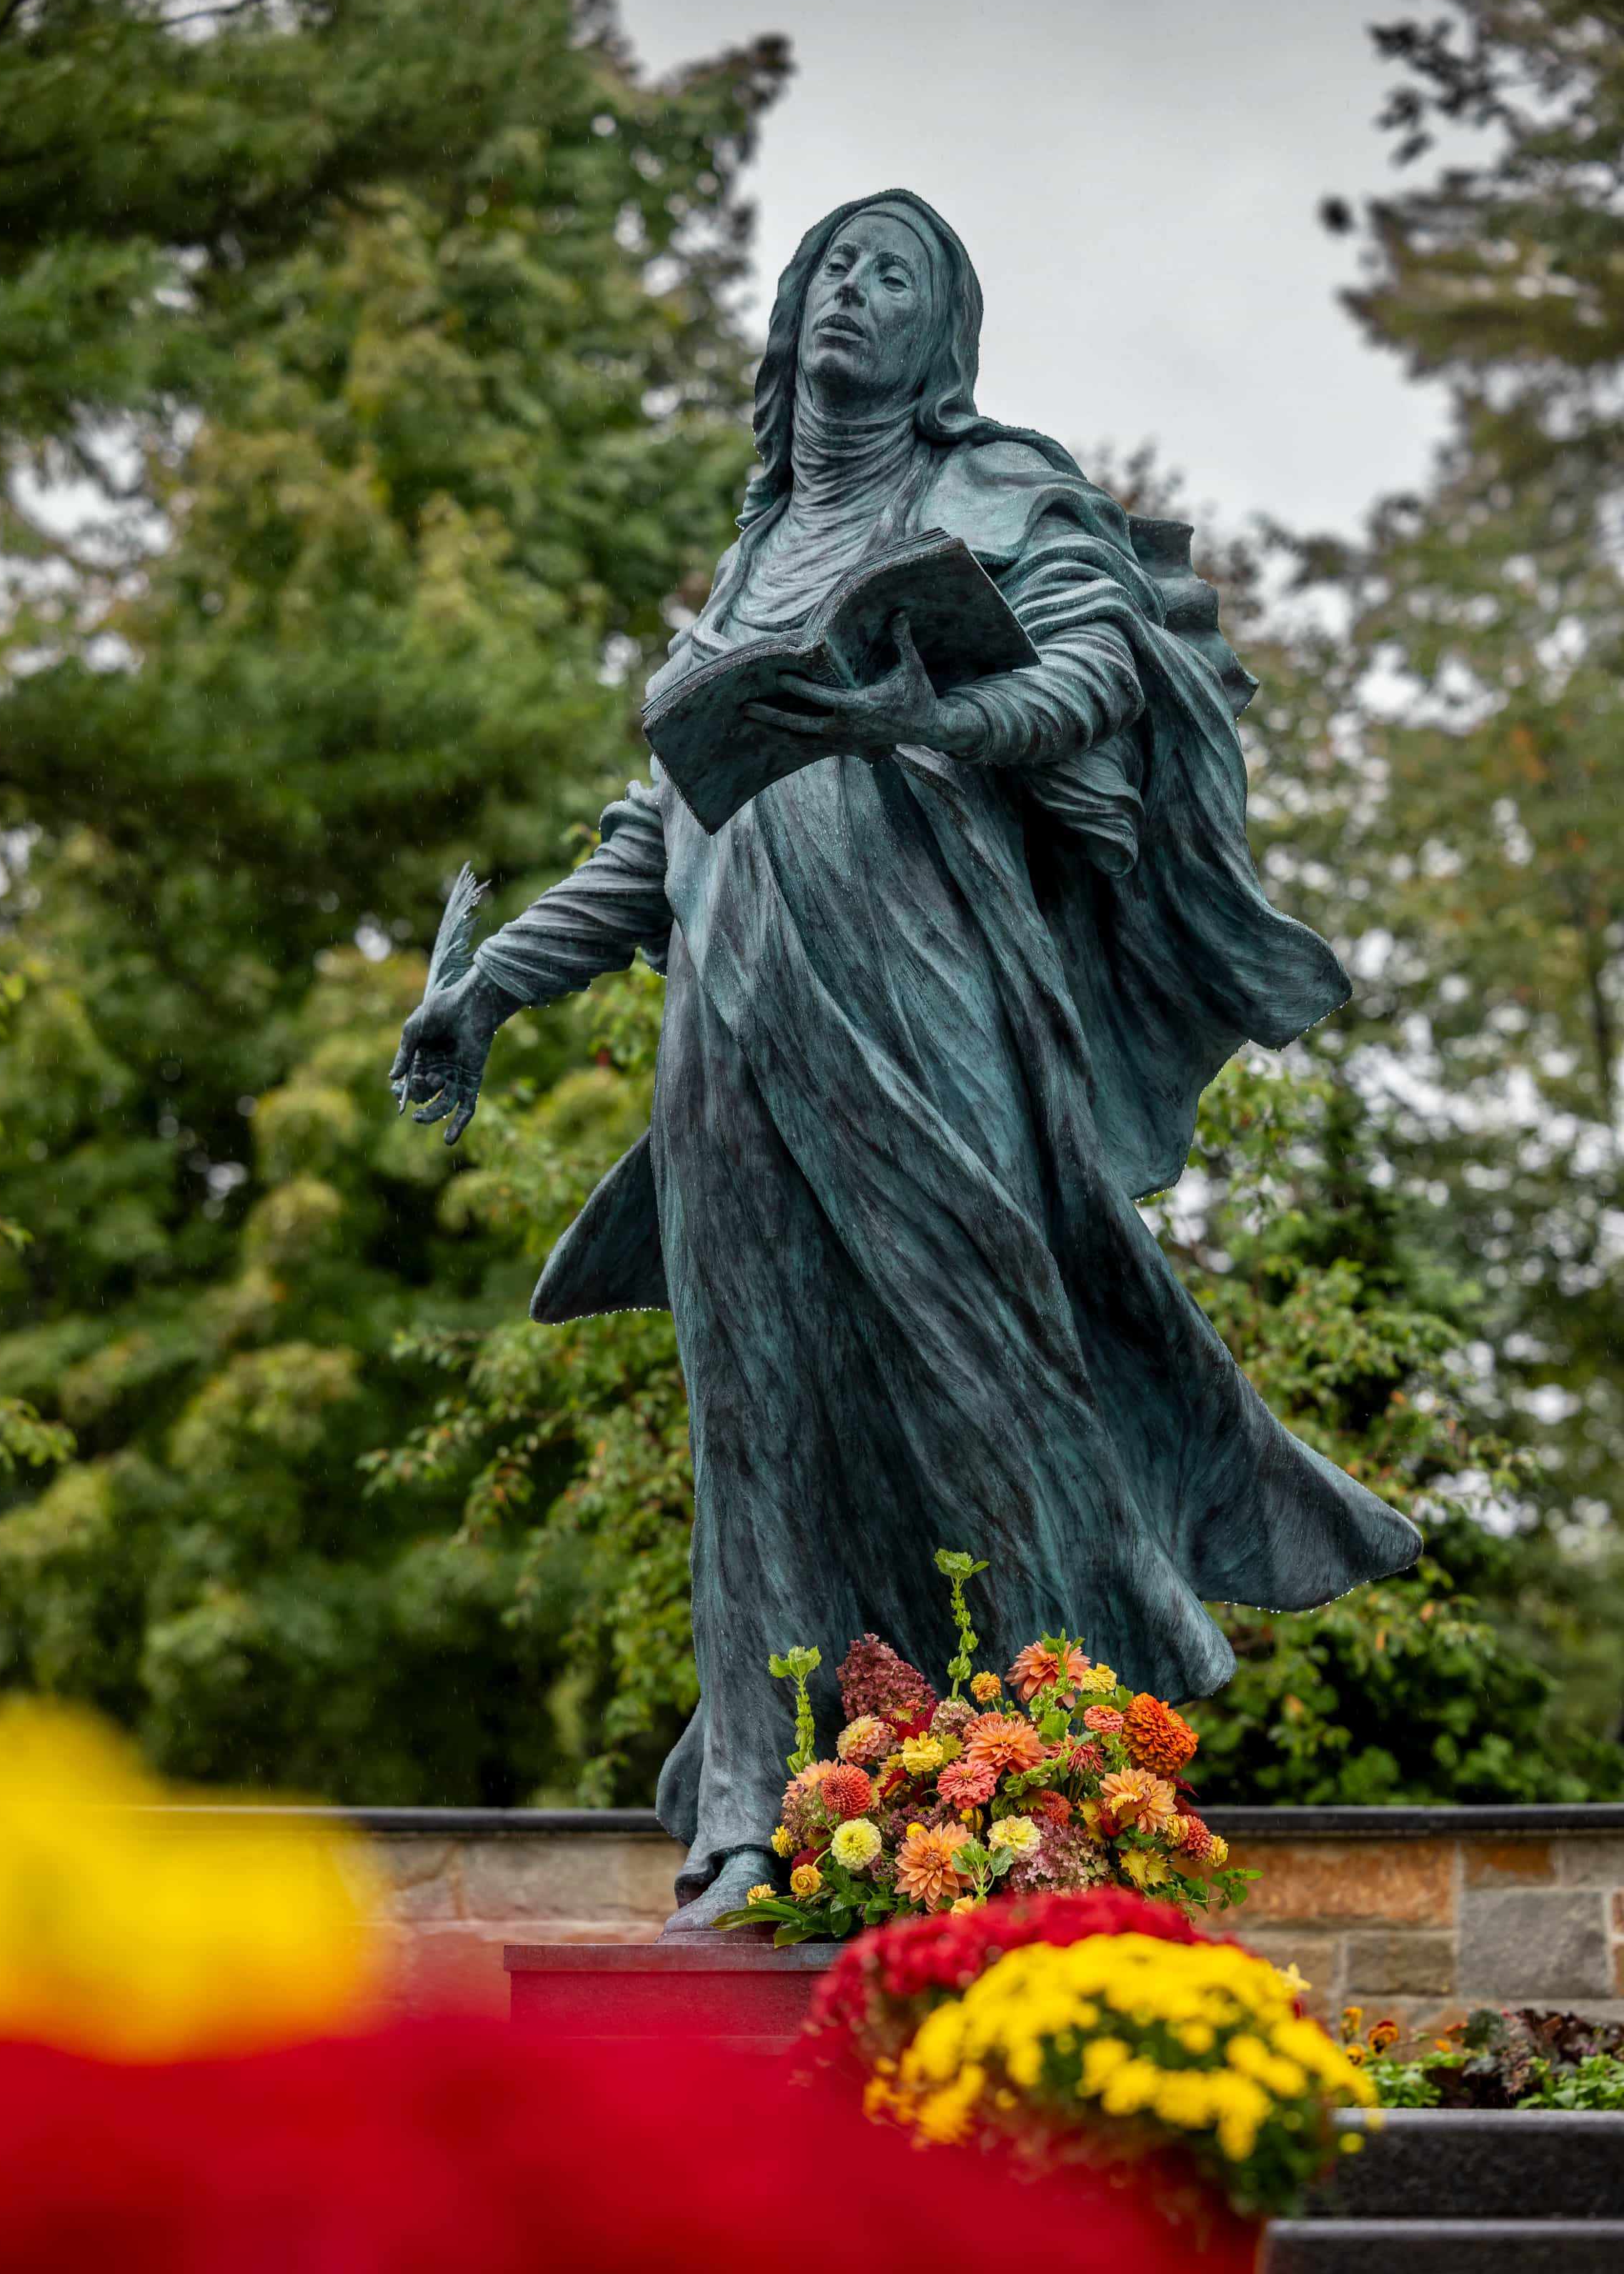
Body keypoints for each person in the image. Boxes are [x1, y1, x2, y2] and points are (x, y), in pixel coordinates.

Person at [390, 191, 1420, 1930]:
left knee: (991, 1388)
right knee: (759, 1431)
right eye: (835, 267)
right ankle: (760, 1822)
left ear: (944, 343)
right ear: (790, 316)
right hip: (726, 1033)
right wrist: (489, 984)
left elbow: (1099, 671)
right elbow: (658, 833)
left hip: (929, 1005)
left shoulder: (989, 494)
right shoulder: (742, 563)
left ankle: (1049, 1802)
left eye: (899, 273)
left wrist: (936, 716)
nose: (856, 290)